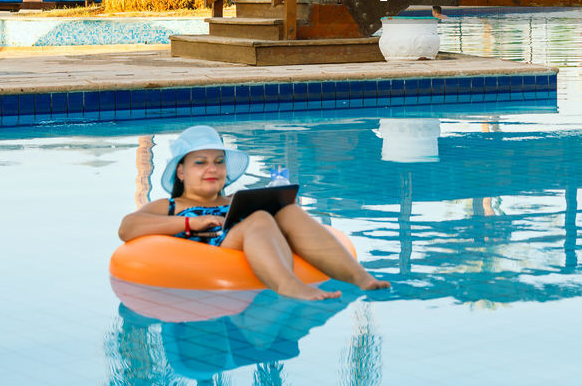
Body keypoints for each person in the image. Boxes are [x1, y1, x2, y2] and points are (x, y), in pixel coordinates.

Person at [118, 125, 389, 300]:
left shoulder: (236, 199)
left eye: (219, 162)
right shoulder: (172, 206)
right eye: (200, 163)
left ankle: (360, 277)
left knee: (289, 212)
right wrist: (191, 222)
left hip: (254, 238)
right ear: (181, 171)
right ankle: (288, 285)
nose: (212, 169)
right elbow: (127, 228)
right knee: (259, 218)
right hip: (215, 247)